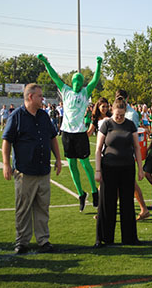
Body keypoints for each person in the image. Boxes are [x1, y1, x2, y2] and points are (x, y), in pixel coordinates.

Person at [2, 83, 62, 254]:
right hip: (24, 171)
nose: (42, 99)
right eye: (39, 96)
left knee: (43, 207)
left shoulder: (43, 116)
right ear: (30, 97)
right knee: (23, 208)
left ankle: (43, 240)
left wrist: (58, 159)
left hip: (43, 170)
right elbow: (7, 141)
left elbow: (52, 138)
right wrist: (6, 164)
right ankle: (22, 241)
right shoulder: (17, 116)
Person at [38, 54, 102, 211]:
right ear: (72, 82)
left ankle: (94, 191)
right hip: (67, 133)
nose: (77, 83)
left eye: (79, 81)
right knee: (72, 164)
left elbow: (94, 80)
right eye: (75, 80)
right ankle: (81, 193)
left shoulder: (85, 92)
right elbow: (54, 76)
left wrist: (99, 64)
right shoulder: (65, 90)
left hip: (80, 133)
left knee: (85, 164)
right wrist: (46, 62)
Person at [94, 98, 144, 247]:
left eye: (122, 115)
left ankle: (129, 238)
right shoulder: (106, 124)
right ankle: (103, 238)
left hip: (127, 168)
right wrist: (98, 170)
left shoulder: (130, 125)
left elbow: (136, 148)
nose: (120, 118)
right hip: (108, 168)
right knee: (107, 203)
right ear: (112, 111)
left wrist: (140, 169)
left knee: (127, 204)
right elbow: (98, 149)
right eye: (117, 115)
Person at [114, 89, 150, 221]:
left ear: (127, 98)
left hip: (127, 153)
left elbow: (134, 137)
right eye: (118, 97)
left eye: (122, 97)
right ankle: (109, 210)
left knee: (130, 183)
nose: (120, 99)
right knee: (120, 183)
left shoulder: (132, 114)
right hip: (117, 154)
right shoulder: (115, 111)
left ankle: (144, 209)